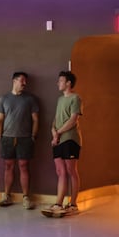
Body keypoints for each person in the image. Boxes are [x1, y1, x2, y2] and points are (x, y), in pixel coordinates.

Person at [0, 71, 39, 209]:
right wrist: (0, 135)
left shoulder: (30, 99)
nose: (24, 84)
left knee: (24, 166)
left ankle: (26, 198)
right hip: (7, 138)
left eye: (25, 81)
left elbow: (36, 119)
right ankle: (7, 196)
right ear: (14, 81)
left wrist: (33, 135)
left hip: (25, 138)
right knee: (8, 166)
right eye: (22, 81)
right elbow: (0, 119)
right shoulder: (4, 98)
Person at [43, 71, 83, 218]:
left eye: (61, 81)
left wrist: (58, 133)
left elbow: (73, 120)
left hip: (70, 140)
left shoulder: (76, 98)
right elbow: (55, 119)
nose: (58, 83)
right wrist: (54, 132)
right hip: (58, 140)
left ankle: (73, 204)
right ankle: (58, 203)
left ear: (68, 83)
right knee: (60, 172)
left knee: (71, 170)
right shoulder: (60, 100)